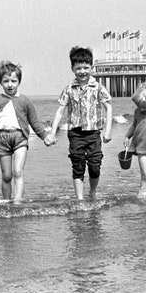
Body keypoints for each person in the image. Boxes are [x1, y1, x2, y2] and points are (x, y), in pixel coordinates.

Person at [0, 61, 52, 204]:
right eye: (6, 81)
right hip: (2, 140)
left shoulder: (25, 100)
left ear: (19, 82)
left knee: (18, 172)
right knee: (6, 175)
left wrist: (44, 137)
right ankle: (7, 202)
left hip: (20, 139)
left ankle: (17, 202)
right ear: (0, 82)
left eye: (13, 81)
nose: (10, 84)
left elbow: (34, 121)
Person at [46, 46, 112, 200]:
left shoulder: (98, 88)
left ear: (91, 67)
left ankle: (93, 192)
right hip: (75, 133)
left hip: (94, 132)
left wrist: (107, 131)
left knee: (95, 165)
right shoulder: (69, 89)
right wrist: (52, 132)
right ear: (72, 69)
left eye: (86, 68)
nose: (82, 71)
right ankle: (80, 199)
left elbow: (108, 108)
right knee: (78, 165)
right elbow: (60, 111)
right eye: (78, 68)